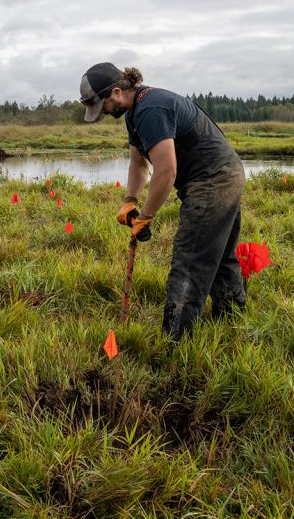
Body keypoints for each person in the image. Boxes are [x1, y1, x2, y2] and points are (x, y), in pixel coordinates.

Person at [79, 62, 245, 341]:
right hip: (225, 175)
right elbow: (139, 163)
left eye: (103, 105)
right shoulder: (136, 112)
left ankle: (175, 343)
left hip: (213, 181)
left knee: (190, 260)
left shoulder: (152, 109)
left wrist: (146, 216)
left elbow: (166, 172)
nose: (104, 113)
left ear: (117, 92)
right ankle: (231, 322)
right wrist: (129, 201)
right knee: (219, 256)